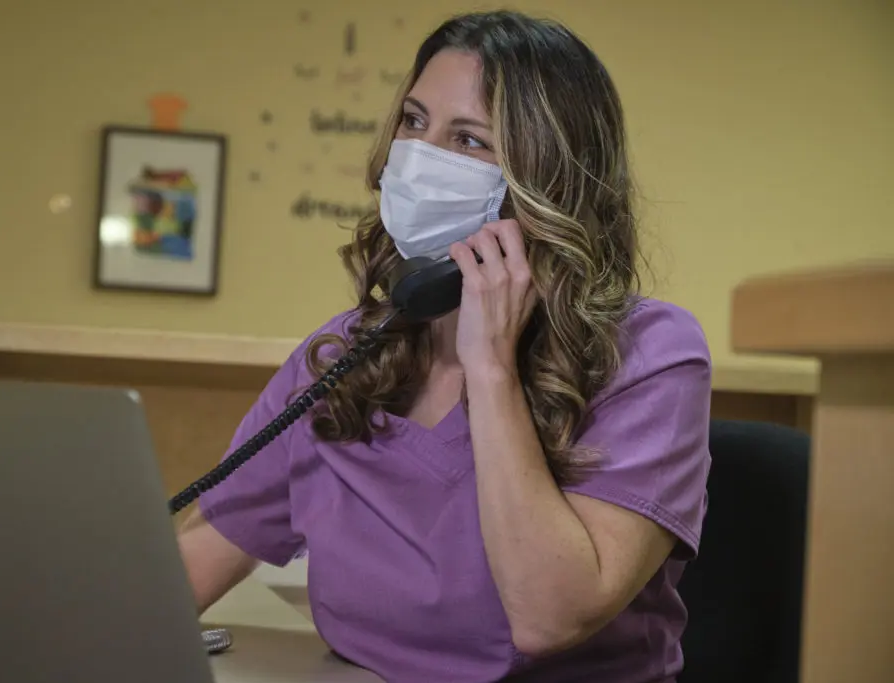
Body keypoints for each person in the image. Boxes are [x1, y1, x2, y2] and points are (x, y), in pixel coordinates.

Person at [177, 10, 711, 683]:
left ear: (549, 182)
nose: (421, 156)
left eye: (468, 139)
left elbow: (550, 617)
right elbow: (197, 560)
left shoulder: (651, 355)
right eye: (413, 121)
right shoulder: (345, 354)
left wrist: (491, 367)